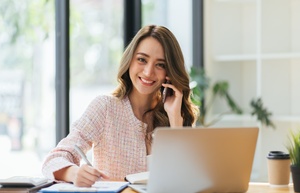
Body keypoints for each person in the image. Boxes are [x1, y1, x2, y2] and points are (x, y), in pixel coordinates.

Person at [41, 24, 199, 187]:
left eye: (161, 65)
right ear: (130, 60)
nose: (148, 72)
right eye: (142, 59)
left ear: (169, 72)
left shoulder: (176, 116)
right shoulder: (105, 108)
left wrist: (175, 121)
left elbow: (189, 181)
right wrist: (74, 173)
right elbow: (53, 160)